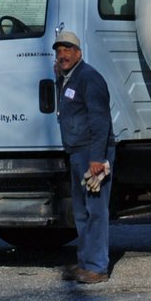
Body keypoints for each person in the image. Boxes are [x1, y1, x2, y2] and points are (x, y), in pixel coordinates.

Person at [53, 29, 114, 284]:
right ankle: (85, 263)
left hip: (92, 153)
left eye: (68, 50)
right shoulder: (68, 78)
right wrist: (58, 78)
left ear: (79, 53)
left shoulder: (89, 78)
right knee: (81, 212)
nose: (63, 55)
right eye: (59, 51)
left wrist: (97, 158)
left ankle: (98, 267)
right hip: (76, 152)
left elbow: (100, 120)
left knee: (96, 211)